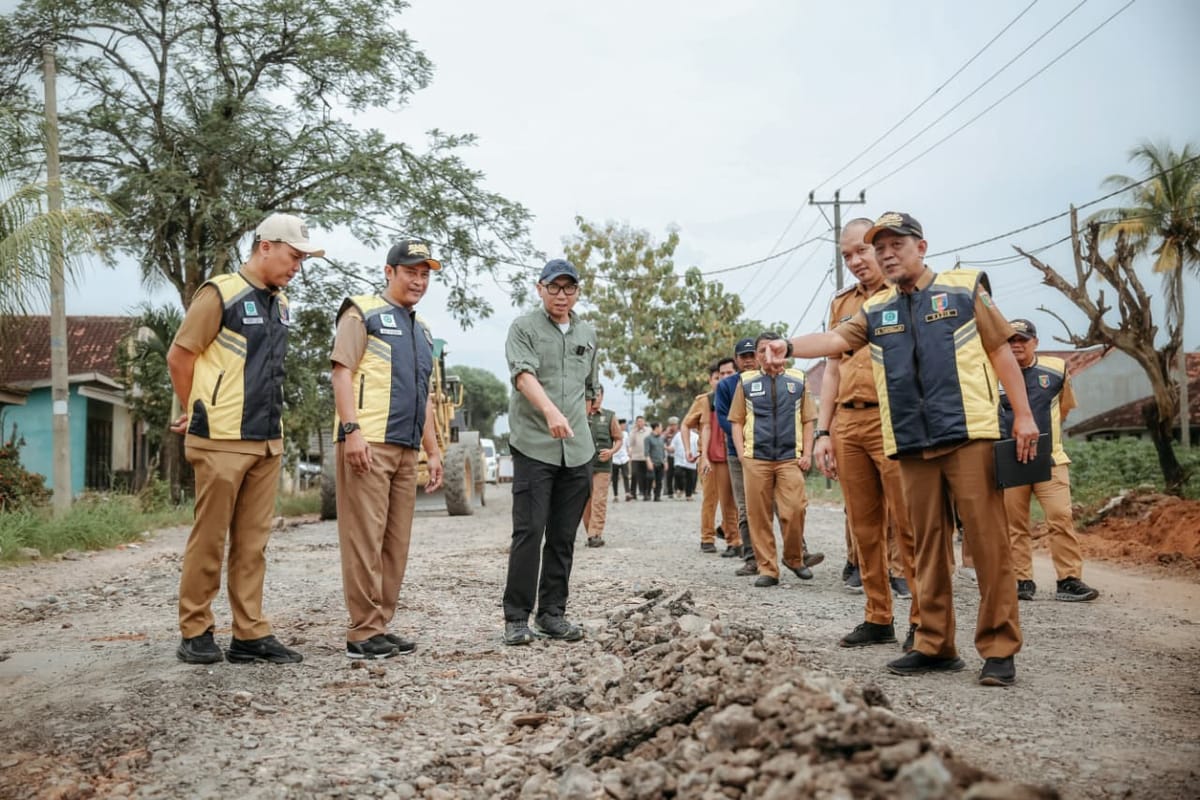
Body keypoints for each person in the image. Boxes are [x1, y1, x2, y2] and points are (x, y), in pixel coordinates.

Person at [777, 211, 1038, 687]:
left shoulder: (962, 290)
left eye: (896, 244)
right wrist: (786, 346)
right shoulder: (877, 311)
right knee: (926, 546)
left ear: (922, 246)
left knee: (987, 544)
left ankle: (999, 649)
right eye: (880, 248)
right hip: (911, 441)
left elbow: (1000, 349)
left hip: (967, 435)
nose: (885, 254)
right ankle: (935, 644)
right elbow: (835, 340)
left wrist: (1023, 415)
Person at [167, 212, 323, 665]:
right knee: (210, 539)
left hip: (266, 439)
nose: (297, 266)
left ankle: (249, 634)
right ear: (266, 246)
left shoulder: (282, 302)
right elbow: (181, 356)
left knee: (253, 544)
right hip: (220, 439)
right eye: (294, 256)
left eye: (302, 259)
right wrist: (195, 407)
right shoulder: (220, 294)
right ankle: (195, 630)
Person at [330, 239, 445, 660]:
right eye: (411, 271)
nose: (418, 280)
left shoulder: (422, 330)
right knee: (364, 539)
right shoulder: (361, 313)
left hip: (405, 447)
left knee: (395, 542)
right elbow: (342, 372)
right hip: (369, 442)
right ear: (389, 271)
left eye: (425, 274)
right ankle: (362, 632)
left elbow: (426, 395)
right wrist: (352, 430)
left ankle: (380, 625)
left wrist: (432, 451)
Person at [812, 219, 921, 651]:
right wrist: (823, 431)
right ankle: (878, 616)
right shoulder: (842, 303)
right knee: (864, 527)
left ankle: (922, 620)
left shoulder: (907, 294)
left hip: (895, 419)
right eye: (847, 256)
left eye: (862, 251)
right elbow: (834, 366)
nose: (856, 261)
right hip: (848, 423)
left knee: (910, 525)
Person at [501, 259, 598, 645]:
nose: (561, 295)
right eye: (554, 288)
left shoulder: (587, 333)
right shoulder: (523, 328)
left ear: (577, 291)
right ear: (539, 289)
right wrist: (551, 411)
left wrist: (581, 416)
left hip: (577, 451)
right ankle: (516, 619)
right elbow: (523, 376)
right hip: (534, 446)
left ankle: (552, 613)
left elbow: (591, 386)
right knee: (530, 531)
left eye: (569, 288)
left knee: (562, 536)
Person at [1001, 319, 1100, 603]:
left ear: (1036, 343)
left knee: (1061, 517)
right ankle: (1021, 581)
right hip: (1009, 461)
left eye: (1023, 339)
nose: (1017, 344)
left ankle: (1069, 580)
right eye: (1011, 340)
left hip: (1051, 458)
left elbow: (1065, 407)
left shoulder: (1056, 369)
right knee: (1013, 524)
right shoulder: (992, 371)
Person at [727, 332, 819, 587]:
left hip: (790, 458)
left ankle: (794, 557)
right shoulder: (745, 382)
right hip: (756, 458)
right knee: (759, 515)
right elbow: (736, 421)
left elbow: (809, 419)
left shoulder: (798, 379)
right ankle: (768, 569)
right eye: (761, 351)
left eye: (771, 348)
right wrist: (743, 455)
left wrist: (807, 453)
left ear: (781, 351)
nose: (766, 355)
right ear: (757, 356)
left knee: (795, 508)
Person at [714, 338, 762, 566]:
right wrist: (746, 434)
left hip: (769, 451)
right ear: (737, 360)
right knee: (744, 505)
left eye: (753, 355)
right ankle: (751, 557)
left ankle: (797, 552)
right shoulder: (726, 386)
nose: (749, 360)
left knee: (782, 503)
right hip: (737, 452)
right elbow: (723, 419)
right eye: (744, 357)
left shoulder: (770, 379)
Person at [685, 362, 735, 553]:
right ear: (711, 380)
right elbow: (688, 424)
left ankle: (730, 534)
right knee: (711, 499)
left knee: (733, 500)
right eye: (718, 376)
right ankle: (707, 537)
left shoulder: (738, 396)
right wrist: (693, 451)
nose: (722, 379)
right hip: (710, 458)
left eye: (729, 373)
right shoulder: (705, 400)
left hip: (732, 454)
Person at [582, 385, 624, 547]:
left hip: (602, 466)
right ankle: (590, 533)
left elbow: (619, 438)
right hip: (583, 464)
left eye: (599, 394)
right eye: (594, 395)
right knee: (585, 501)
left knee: (598, 500)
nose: (597, 398)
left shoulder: (609, 416)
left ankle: (595, 534)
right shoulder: (581, 415)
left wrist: (612, 451)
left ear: (603, 396)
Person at [670, 422, 699, 500]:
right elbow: (673, 445)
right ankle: (681, 488)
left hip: (691, 460)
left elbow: (698, 448)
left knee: (690, 478)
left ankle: (688, 495)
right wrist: (670, 448)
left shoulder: (695, 436)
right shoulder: (677, 435)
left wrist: (697, 457)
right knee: (677, 473)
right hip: (679, 460)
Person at [626, 416, 650, 500]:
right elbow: (630, 443)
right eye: (638, 422)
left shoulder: (648, 430)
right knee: (634, 474)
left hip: (645, 457)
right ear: (636, 423)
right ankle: (633, 493)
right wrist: (635, 432)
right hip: (635, 457)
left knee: (645, 476)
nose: (640, 423)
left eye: (641, 421)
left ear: (644, 422)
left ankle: (645, 493)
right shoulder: (633, 432)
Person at [644, 421, 667, 501]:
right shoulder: (648, 438)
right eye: (660, 427)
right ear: (656, 428)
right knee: (650, 478)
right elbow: (646, 451)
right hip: (652, 462)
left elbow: (663, 451)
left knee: (659, 480)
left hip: (660, 462)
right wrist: (648, 461)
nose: (661, 429)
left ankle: (657, 496)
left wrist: (665, 461)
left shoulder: (661, 438)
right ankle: (647, 494)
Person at [611, 419, 631, 501]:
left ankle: (627, 493)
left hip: (624, 458)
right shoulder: (612, 433)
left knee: (626, 476)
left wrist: (629, 454)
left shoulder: (626, 434)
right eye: (623, 425)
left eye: (625, 425)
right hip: (614, 458)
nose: (624, 426)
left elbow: (628, 445)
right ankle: (616, 495)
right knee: (615, 478)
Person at [663, 416, 680, 498]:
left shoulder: (680, 433)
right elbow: (661, 441)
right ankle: (670, 492)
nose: (673, 427)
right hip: (669, 456)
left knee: (678, 474)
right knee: (669, 474)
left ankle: (677, 489)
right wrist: (665, 434)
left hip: (678, 456)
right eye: (671, 425)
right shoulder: (666, 434)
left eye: (674, 425)